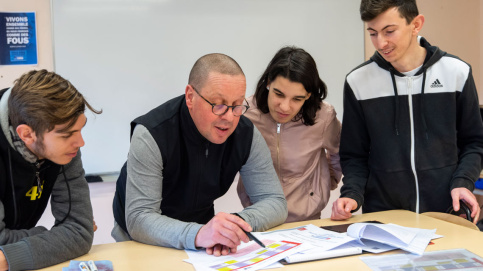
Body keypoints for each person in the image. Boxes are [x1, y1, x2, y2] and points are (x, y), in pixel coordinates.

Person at [112, 53, 287, 256]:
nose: (229, 117)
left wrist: (234, 226)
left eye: (237, 105)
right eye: (218, 104)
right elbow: (140, 218)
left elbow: (274, 201)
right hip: (141, 240)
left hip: (202, 240)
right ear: (190, 97)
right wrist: (198, 233)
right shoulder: (151, 134)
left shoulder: (246, 134)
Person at [332, 0, 483, 223]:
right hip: (384, 218)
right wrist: (352, 193)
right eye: (373, 33)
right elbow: (354, 154)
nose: (381, 43)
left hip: (447, 213)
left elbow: (475, 142)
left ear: (416, 24)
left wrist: (463, 182)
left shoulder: (456, 73)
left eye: (389, 31)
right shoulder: (358, 82)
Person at [0, 69, 101, 270]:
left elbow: (79, 233)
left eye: (81, 129)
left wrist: (8, 256)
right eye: (67, 135)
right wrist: (52, 235)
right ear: (27, 134)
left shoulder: (64, 146)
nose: (80, 142)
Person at [237, 46, 342, 222]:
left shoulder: (323, 117)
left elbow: (340, 152)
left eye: (297, 99)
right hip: (258, 218)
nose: (285, 107)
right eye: (279, 94)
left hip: (308, 220)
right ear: (269, 82)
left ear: (308, 95)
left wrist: (324, 183)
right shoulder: (245, 114)